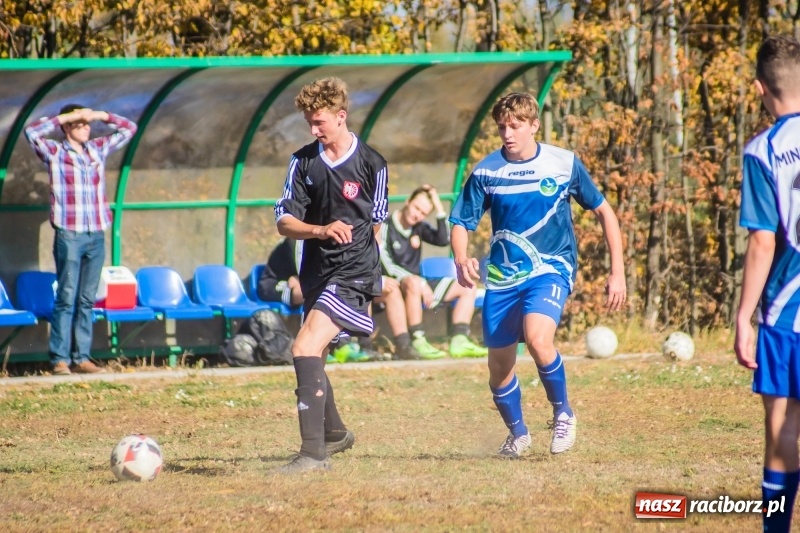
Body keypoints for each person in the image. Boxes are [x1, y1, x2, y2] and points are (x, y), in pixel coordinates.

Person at [449, 92, 625, 457]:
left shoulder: (563, 164)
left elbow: (606, 213)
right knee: (498, 369)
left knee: (537, 338)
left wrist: (618, 272)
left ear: (534, 126)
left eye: (515, 126)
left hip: (550, 268)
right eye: (502, 127)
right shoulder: (486, 170)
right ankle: (518, 434)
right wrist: (461, 256)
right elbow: (460, 221)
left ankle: (563, 413)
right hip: (502, 276)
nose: (507, 134)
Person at [274, 77, 389, 473]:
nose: (313, 130)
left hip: (354, 273)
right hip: (316, 274)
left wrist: (364, 269)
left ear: (341, 117)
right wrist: (320, 231)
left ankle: (312, 454)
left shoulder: (373, 163)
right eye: (308, 122)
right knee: (314, 356)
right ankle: (335, 433)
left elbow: (376, 224)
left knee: (303, 347)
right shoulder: (303, 162)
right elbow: (285, 222)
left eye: (319, 121)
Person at [735, 34, 800, 533]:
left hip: (786, 311)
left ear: (761, 88)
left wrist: (743, 317)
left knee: (782, 424)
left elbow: (761, 242)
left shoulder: (763, 151)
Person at [24, 104, 137, 375]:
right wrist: (68, 116)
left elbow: (129, 128)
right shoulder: (55, 152)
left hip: (95, 234)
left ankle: (82, 357)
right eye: (80, 124)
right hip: (69, 234)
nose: (86, 127)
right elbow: (31, 132)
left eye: (87, 124)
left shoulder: (97, 149)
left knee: (87, 299)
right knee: (66, 296)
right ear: (67, 128)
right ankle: (59, 359)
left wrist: (99, 115)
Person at [257, 238, 420, 362]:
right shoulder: (300, 239)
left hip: (308, 283)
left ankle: (395, 345)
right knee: (326, 287)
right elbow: (316, 276)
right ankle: (337, 345)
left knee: (382, 289)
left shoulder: (354, 233)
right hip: (278, 287)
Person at [380, 185, 488, 359]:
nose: (418, 215)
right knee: (414, 282)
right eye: (416, 208)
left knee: (467, 286)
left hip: (418, 285)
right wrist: (418, 281)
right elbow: (386, 264)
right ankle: (417, 339)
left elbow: (444, 239)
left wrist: (439, 207)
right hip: (396, 284)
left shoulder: (419, 227)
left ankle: (459, 340)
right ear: (407, 202)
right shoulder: (386, 226)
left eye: (423, 213)